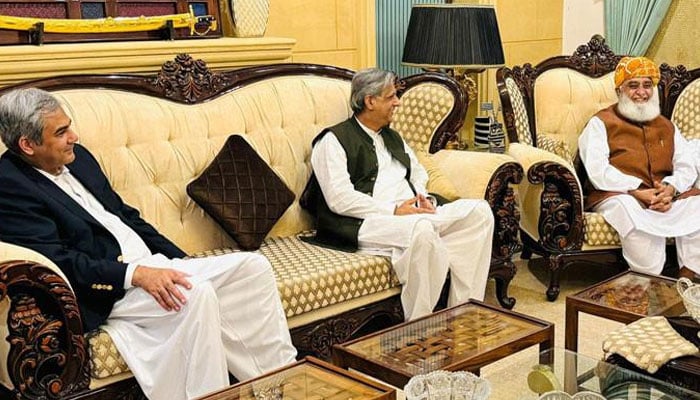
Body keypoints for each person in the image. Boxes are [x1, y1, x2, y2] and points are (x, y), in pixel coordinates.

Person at [0, 88, 297, 400]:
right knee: (193, 293)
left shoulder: (79, 158)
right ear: (27, 144)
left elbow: (126, 216)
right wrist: (136, 274)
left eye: (69, 126)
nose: (74, 136)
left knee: (253, 267)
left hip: (154, 265)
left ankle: (276, 385)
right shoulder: (10, 185)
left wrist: (181, 261)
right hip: (112, 288)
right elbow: (60, 259)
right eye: (61, 132)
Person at [303, 68, 494, 321]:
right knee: (423, 231)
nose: (398, 102)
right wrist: (394, 210)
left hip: (411, 214)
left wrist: (424, 197)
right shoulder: (333, 140)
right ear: (370, 101)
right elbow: (340, 199)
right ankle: (418, 328)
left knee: (479, 212)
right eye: (391, 96)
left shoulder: (393, 137)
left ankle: (462, 314)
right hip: (366, 222)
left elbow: (417, 173)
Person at [578, 56, 700, 278]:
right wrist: (635, 190)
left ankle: (686, 279)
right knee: (627, 209)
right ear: (619, 91)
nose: (641, 92)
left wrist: (670, 188)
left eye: (647, 86)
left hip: (663, 197)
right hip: (618, 195)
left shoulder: (666, 125)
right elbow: (597, 170)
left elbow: (685, 165)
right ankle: (647, 278)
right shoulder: (600, 123)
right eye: (633, 86)